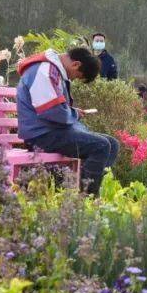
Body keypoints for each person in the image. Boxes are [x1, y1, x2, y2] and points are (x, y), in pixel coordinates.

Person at [15, 47, 119, 195]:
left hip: (52, 131)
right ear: (76, 64)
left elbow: (57, 109)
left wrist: (72, 112)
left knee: (112, 144)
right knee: (101, 146)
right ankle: (86, 199)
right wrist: (74, 114)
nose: (73, 78)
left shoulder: (53, 70)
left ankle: (85, 189)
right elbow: (54, 112)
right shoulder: (44, 71)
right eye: (77, 76)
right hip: (40, 135)